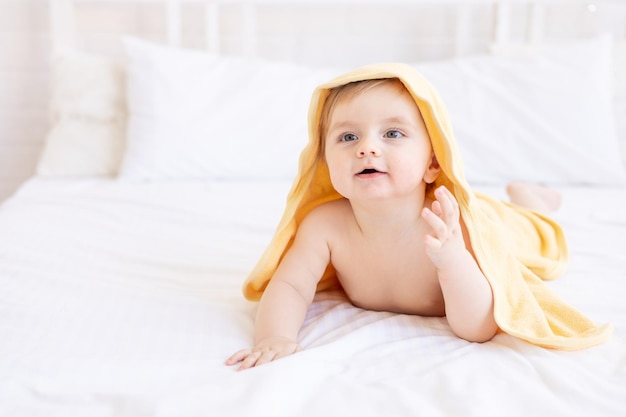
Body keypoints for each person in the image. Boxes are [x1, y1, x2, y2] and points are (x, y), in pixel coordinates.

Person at [226, 64, 611, 370]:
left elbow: (477, 328)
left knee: (534, 235)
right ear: (325, 163)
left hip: (491, 221)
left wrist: (453, 260)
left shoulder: (450, 225)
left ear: (431, 163)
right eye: (348, 137)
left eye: (392, 133)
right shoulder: (325, 226)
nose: (367, 149)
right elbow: (290, 287)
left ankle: (531, 199)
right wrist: (273, 337)